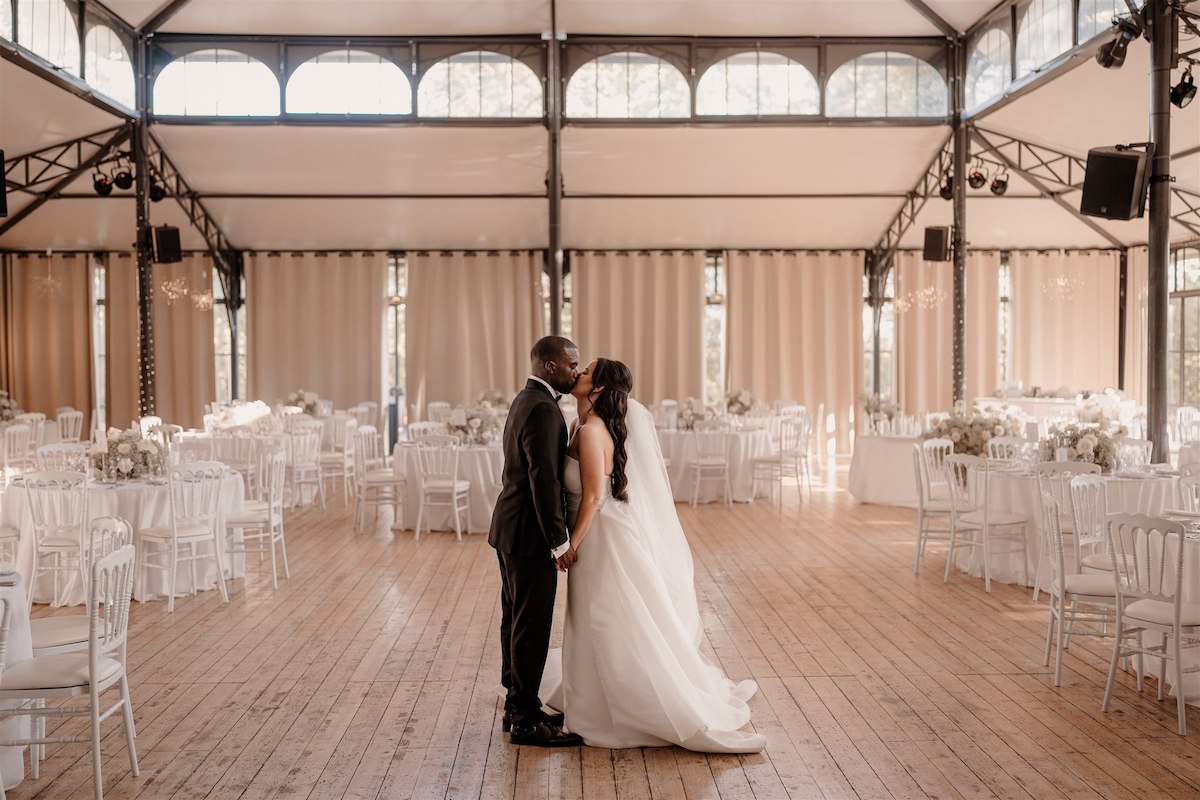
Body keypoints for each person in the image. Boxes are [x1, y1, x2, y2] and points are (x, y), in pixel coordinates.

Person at [542, 357, 766, 753]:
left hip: (602, 536)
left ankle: (628, 704)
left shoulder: (592, 433)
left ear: (598, 388)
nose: (578, 374)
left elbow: (592, 498)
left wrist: (571, 544)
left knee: (607, 616)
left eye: (586, 371)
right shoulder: (580, 424)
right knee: (594, 616)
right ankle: (591, 695)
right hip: (599, 531)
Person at [488, 336, 584, 747]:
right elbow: (543, 481)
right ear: (550, 366)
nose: (575, 371)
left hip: (511, 528)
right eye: (571, 364)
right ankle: (526, 721)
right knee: (531, 625)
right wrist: (559, 542)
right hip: (529, 535)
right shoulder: (544, 408)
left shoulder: (525, 399)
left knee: (515, 619)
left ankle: (517, 705)